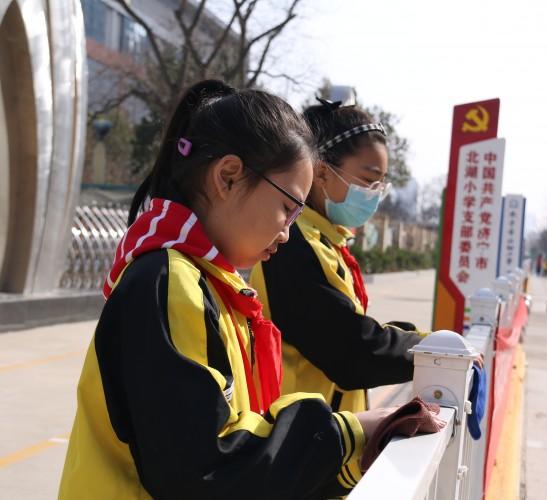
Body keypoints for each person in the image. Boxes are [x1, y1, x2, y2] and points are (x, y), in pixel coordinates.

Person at [58, 81, 392, 500]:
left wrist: (343, 458)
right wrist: (346, 435)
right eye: (288, 208)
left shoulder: (211, 286)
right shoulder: (170, 283)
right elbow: (206, 469)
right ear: (228, 176)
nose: (288, 232)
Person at [249, 98, 426, 417]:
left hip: (324, 434)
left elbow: (351, 328)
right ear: (321, 172)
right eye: (368, 179)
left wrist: (421, 340)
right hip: (297, 438)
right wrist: (431, 352)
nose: (374, 194)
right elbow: (350, 352)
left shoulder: (327, 240)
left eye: (380, 184)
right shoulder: (291, 242)